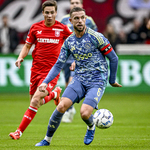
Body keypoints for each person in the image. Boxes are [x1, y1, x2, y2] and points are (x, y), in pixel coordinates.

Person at [35, 7, 122, 146]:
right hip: (79, 79)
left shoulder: (96, 37)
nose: (80, 21)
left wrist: (111, 81)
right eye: (76, 18)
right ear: (71, 21)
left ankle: (91, 126)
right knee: (61, 106)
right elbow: (58, 65)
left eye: (82, 17)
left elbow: (114, 58)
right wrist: (45, 82)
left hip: (97, 81)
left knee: (84, 114)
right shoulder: (69, 41)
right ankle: (47, 140)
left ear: (85, 19)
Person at [9, 0, 72, 140]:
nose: (49, 15)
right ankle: (55, 94)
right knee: (35, 101)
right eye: (47, 13)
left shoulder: (62, 29)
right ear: (43, 13)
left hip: (51, 72)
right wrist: (20, 57)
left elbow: (75, 43)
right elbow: (27, 46)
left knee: (35, 100)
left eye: (52, 12)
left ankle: (18, 132)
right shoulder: (35, 28)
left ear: (56, 13)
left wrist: (75, 60)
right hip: (36, 70)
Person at [60, 0, 98, 123]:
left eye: (77, 2)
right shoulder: (64, 20)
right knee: (67, 84)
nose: (75, 4)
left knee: (71, 82)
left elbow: (96, 37)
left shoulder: (89, 21)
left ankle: (69, 109)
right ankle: (71, 108)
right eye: (72, 2)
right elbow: (60, 39)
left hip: (81, 59)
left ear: (82, 5)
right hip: (67, 58)